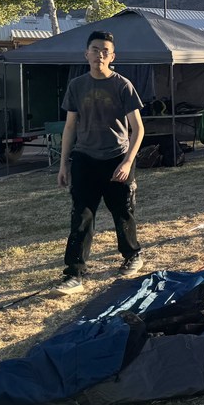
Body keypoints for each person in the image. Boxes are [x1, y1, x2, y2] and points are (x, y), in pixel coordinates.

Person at [51, 31, 146, 296]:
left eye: (105, 51)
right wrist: (63, 165)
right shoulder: (77, 85)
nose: (99, 55)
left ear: (112, 56)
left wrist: (128, 162)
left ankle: (132, 255)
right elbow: (70, 127)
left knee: (122, 211)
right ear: (86, 54)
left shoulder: (122, 85)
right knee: (81, 216)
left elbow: (138, 129)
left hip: (117, 158)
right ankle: (74, 274)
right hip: (85, 159)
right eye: (95, 50)